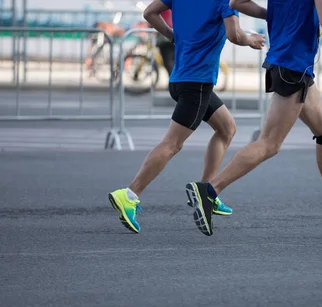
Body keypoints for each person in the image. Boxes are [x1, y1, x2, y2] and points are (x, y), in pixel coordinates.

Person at [185, 0, 322, 237]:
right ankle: (210, 190)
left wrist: (273, 15)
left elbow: (237, 2)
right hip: (293, 66)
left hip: (289, 64)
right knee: (269, 144)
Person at [108, 0, 265, 233]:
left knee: (227, 128)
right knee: (172, 144)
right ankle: (130, 194)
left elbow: (150, 13)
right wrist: (250, 39)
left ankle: (207, 190)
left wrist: (172, 35)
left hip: (180, 79)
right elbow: (234, 35)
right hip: (197, 84)